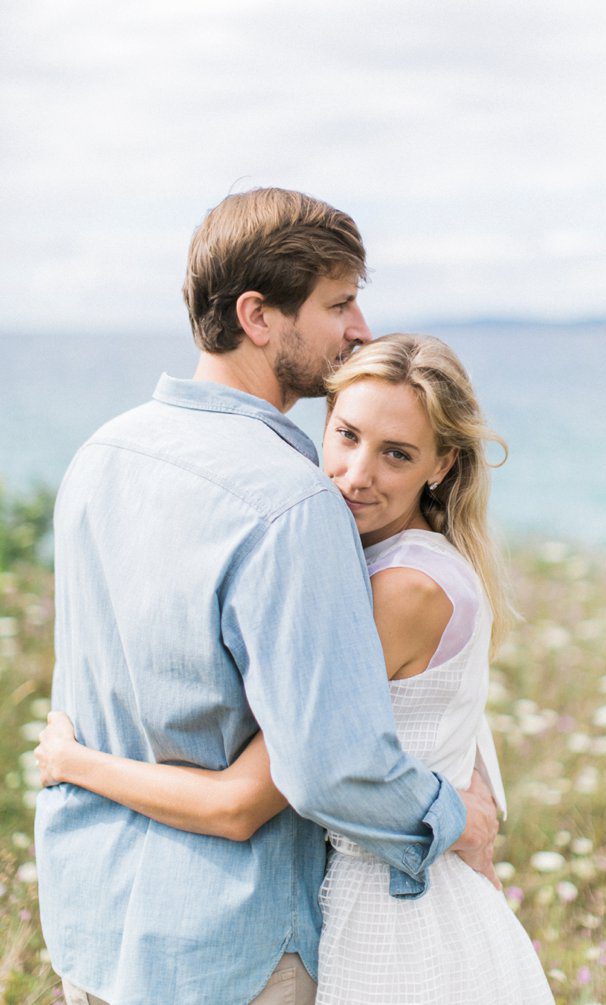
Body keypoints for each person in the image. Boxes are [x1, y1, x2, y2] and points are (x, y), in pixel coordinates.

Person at [34, 189, 498, 1005]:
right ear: (258, 316)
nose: (359, 328)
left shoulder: (98, 455)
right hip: (230, 948)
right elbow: (331, 771)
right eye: (339, 303)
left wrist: (75, 763)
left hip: (91, 925)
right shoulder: (293, 505)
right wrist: (458, 816)